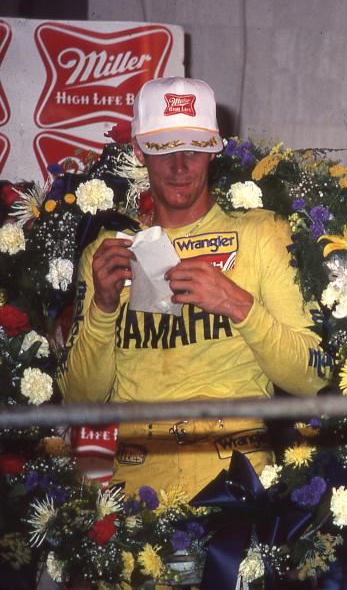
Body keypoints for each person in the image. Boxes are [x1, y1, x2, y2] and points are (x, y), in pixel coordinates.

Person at [59, 77, 327, 497]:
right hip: (137, 496)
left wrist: (240, 306)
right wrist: (103, 309)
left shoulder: (261, 233)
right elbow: (80, 402)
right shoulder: (108, 252)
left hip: (237, 488)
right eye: (164, 149)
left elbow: (314, 376)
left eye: (194, 148)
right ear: (138, 150)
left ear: (215, 148)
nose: (180, 165)